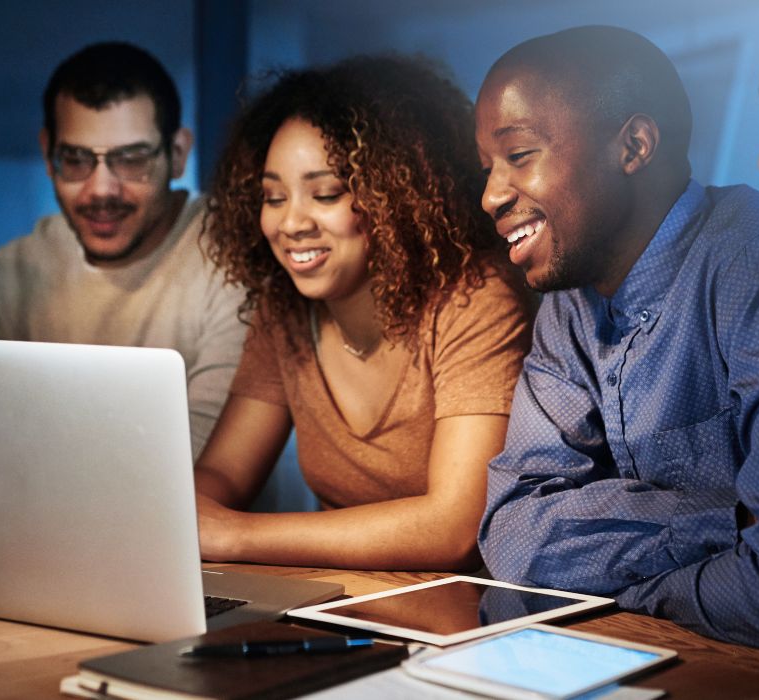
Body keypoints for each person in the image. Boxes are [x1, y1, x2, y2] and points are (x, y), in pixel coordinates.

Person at [475, 25, 759, 657]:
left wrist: (619, 582)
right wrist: (726, 521)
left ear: (633, 145)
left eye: (518, 156)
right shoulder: (565, 308)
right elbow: (513, 537)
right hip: (659, 656)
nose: (490, 195)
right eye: (487, 168)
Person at [196, 55, 533, 571]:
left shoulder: (474, 300)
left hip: (466, 613)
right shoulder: (284, 312)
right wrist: (174, 513)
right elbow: (222, 474)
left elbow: (456, 526)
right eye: (272, 196)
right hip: (337, 602)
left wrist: (234, 535)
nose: (290, 222)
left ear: (398, 197)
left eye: (325, 193)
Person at [0, 42, 245, 458]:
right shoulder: (11, 273)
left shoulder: (232, 259)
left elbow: (198, 466)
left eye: (132, 159)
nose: (102, 189)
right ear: (49, 155)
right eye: (77, 159)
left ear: (177, 154)